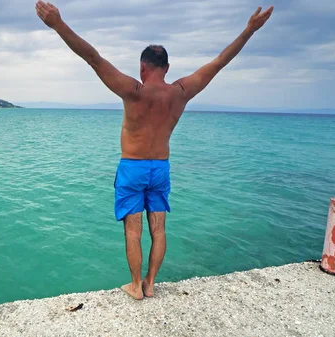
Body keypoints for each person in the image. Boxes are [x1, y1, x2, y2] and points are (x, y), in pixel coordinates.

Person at [35, 1, 274, 300]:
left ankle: (135, 285)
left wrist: (58, 24)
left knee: (133, 230)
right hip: (160, 168)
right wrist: (249, 30)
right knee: (158, 230)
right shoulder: (181, 93)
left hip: (133, 167)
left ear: (142, 67)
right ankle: (151, 282)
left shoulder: (133, 91)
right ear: (168, 68)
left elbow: (93, 58)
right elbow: (220, 62)